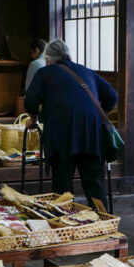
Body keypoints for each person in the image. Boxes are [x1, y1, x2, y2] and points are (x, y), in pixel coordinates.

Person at [24, 39, 118, 207]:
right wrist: (97, 114)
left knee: (62, 184)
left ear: (48, 59)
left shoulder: (45, 72)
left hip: (61, 135)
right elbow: (112, 96)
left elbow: (30, 100)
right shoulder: (86, 71)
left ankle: (64, 222)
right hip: (91, 134)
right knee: (94, 183)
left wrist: (33, 119)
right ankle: (103, 221)